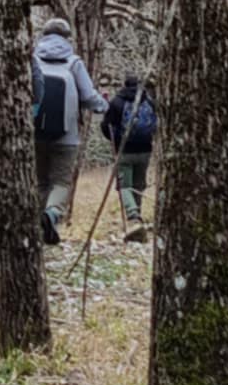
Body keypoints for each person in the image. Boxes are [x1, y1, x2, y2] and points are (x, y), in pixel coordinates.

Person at [31, 16, 105, 244]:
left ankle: (37, 228)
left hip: (34, 133)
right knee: (61, 182)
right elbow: (89, 96)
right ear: (67, 38)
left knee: (41, 181)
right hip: (66, 135)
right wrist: (104, 106)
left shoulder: (33, 60)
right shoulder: (73, 63)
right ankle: (51, 215)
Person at [101, 74, 157, 243]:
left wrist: (113, 140)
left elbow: (106, 126)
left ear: (124, 84)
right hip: (145, 150)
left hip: (124, 150)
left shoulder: (117, 102)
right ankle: (136, 223)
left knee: (124, 186)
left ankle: (133, 216)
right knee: (139, 185)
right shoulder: (148, 100)